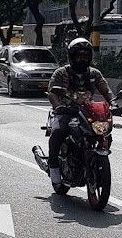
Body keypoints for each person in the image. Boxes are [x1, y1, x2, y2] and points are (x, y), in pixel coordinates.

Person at [46, 38, 116, 184]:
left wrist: (113, 102)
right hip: (66, 111)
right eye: (78, 56)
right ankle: (53, 166)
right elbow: (52, 92)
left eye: (85, 56)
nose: (81, 59)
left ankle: (94, 162)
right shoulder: (61, 72)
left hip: (87, 111)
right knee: (58, 132)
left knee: (104, 132)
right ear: (71, 56)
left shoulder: (94, 73)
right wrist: (57, 106)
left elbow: (105, 89)